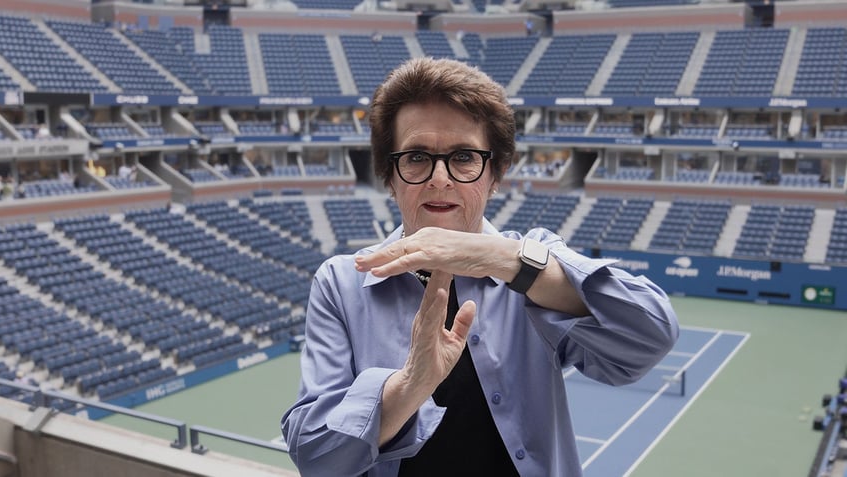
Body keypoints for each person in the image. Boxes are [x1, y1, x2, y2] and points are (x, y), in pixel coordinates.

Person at [281, 57, 679, 477]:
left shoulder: (535, 262)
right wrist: (410, 386)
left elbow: (650, 338)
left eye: (464, 157)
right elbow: (316, 458)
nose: (439, 178)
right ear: (389, 174)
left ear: (495, 174)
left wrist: (500, 258)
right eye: (416, 157)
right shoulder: (342, 284)